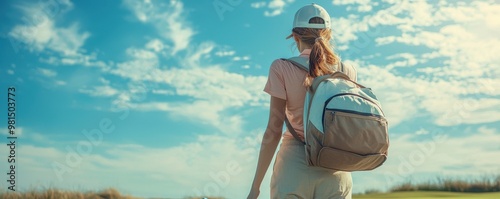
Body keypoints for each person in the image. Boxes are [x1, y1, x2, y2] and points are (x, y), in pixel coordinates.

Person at [247, 3, 357, 199]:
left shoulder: (281, 68)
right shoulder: (347, 71)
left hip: (294, 166)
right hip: (336, 167)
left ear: (295, 36)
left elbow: (273, 130)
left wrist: (255, 187)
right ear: (328, 35)